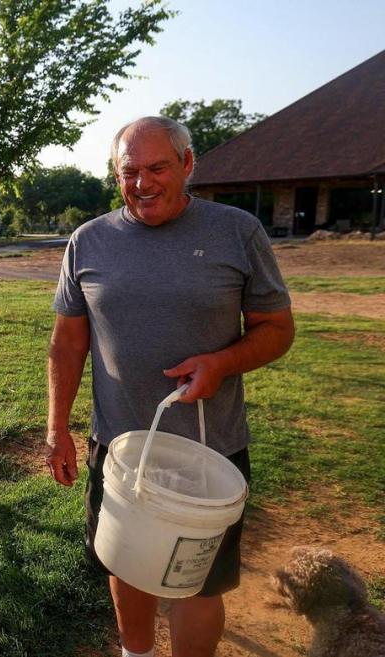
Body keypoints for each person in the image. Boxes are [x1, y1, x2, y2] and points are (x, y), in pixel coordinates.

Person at [46, 116, 295, 657]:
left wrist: (223, 363)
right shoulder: (88, 241)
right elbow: (67, 343)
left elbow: (277, 330)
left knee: (197, 583)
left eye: (157, 167)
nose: (142, 183)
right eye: (128, 171)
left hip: (210, 453)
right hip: (118, 448)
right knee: (127, 563)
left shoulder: (236, 232)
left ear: (187, 164)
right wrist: (57, 427)